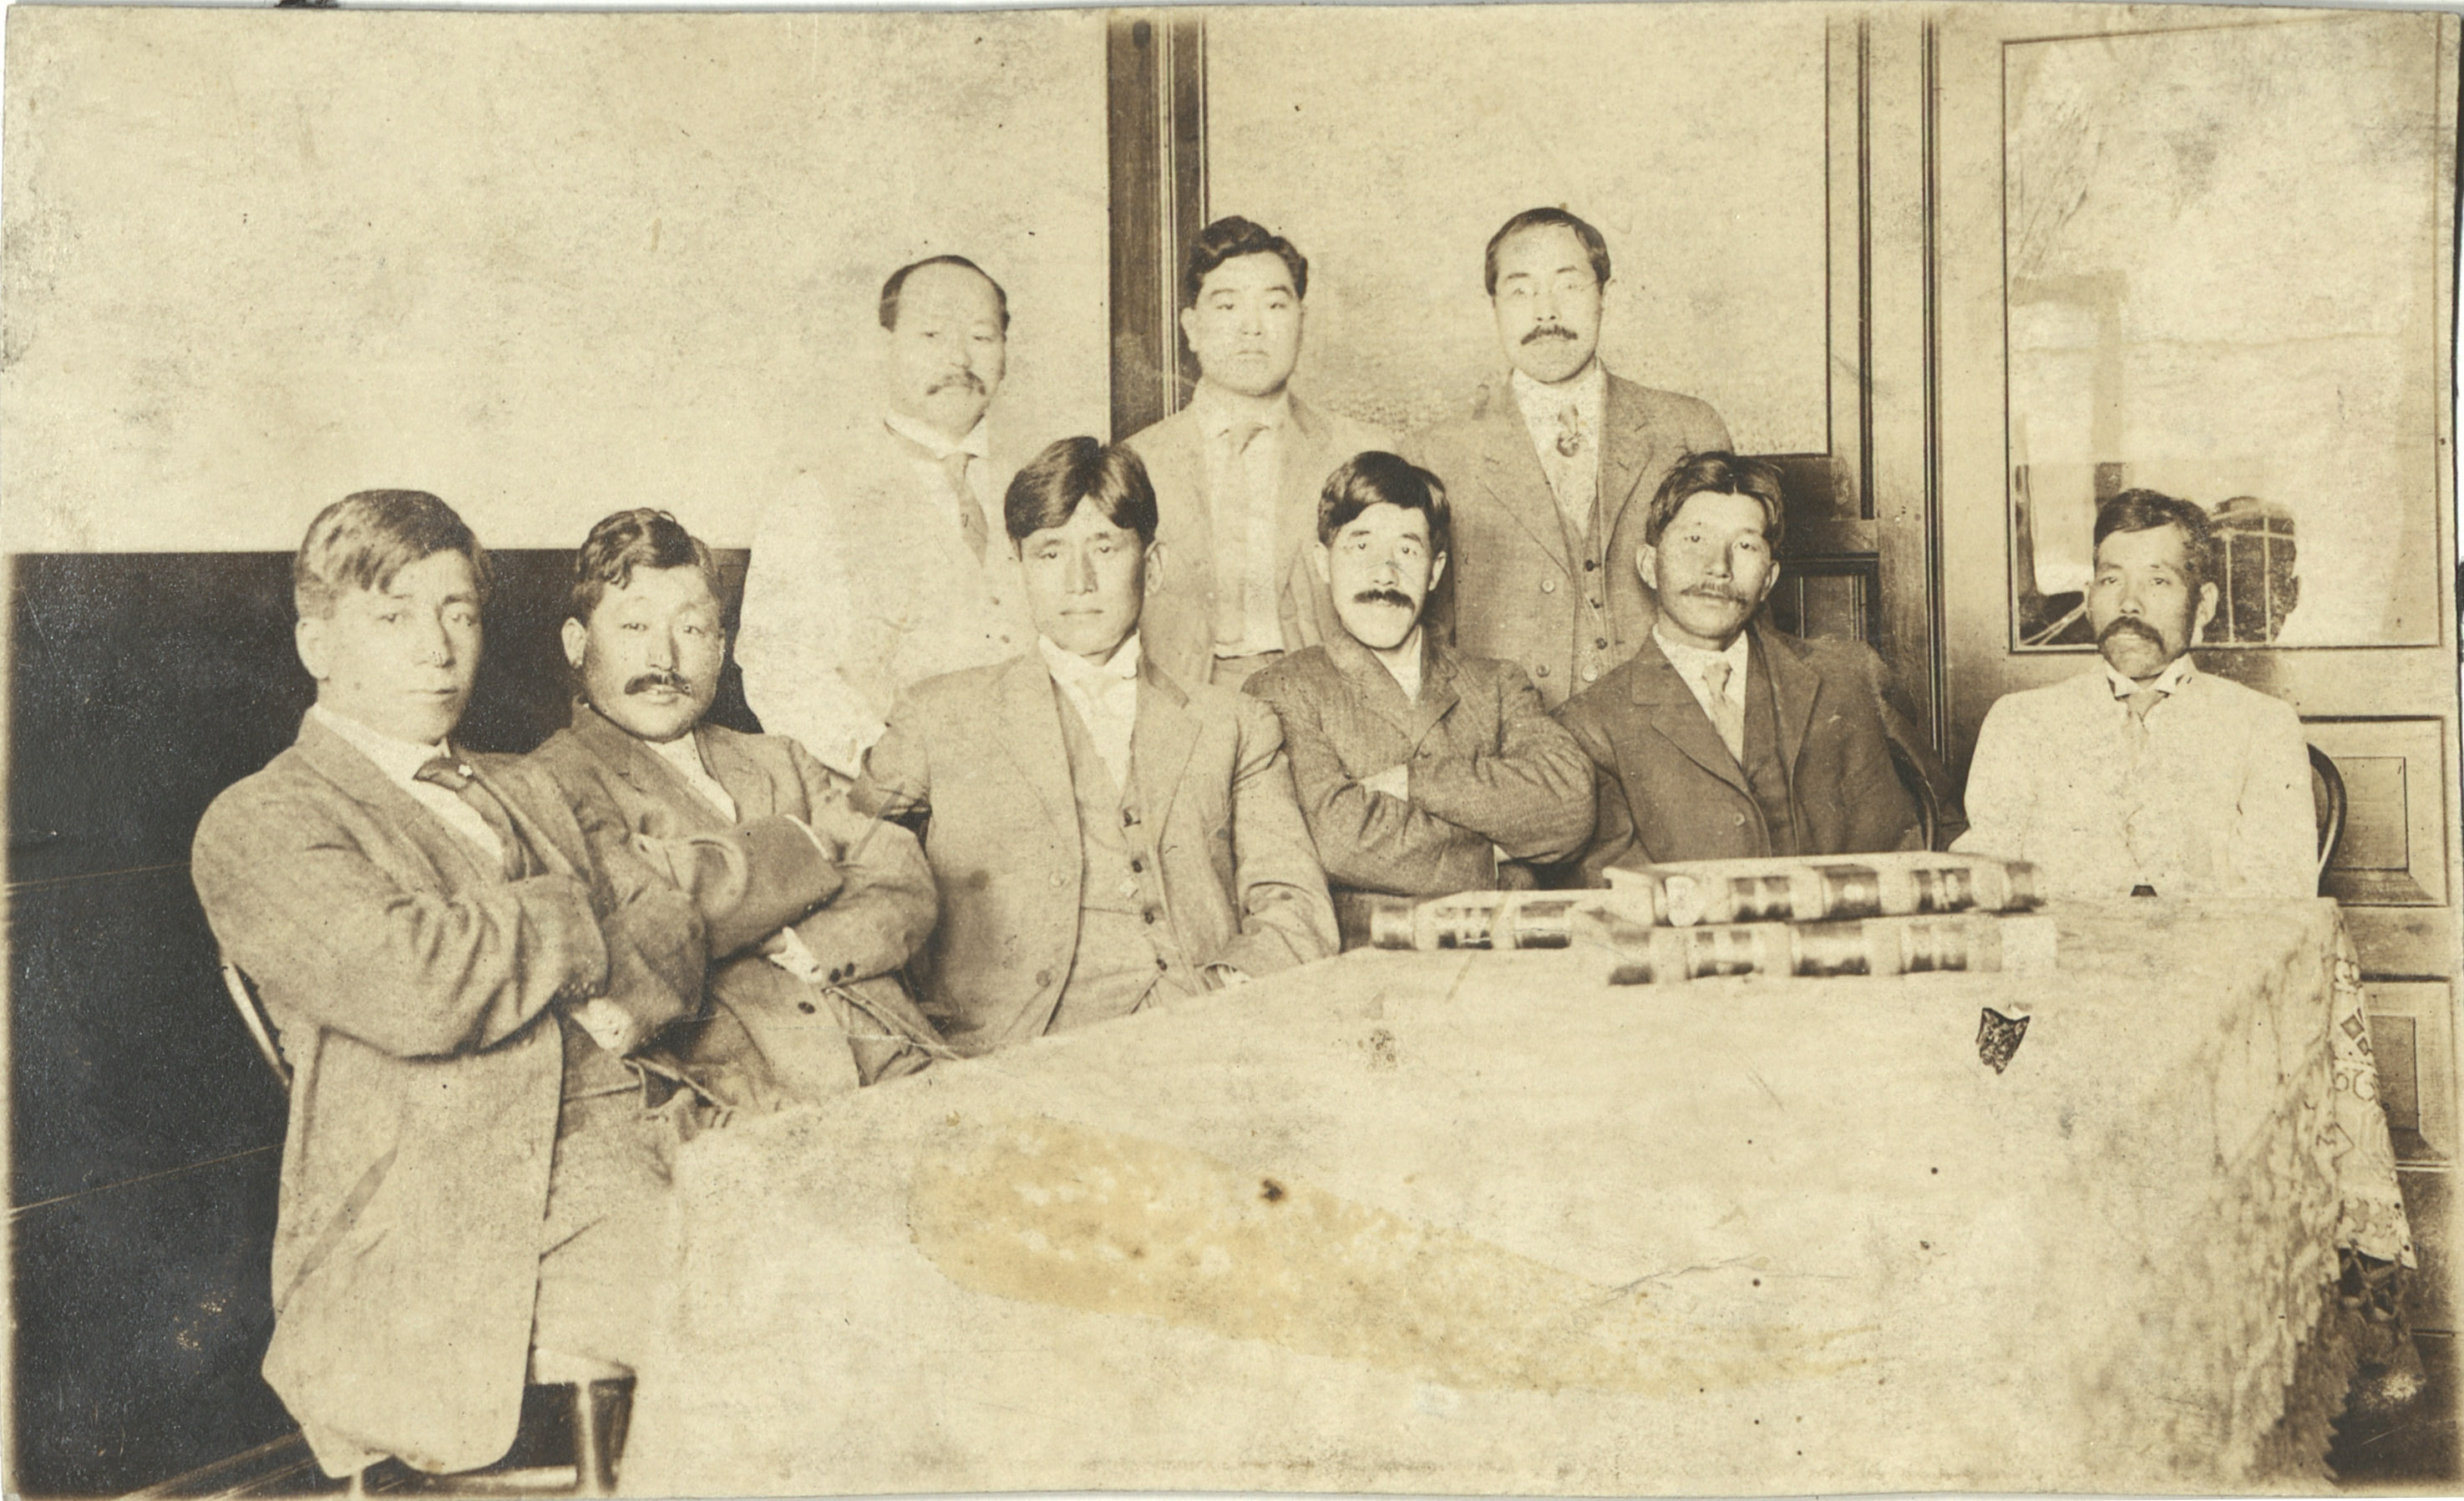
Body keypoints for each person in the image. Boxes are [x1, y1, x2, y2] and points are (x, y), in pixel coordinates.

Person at [189, 492, 839, 1478]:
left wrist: (552, 947)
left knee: (890, 1247)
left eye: (458, 611)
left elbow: (670, 925)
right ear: (317, 643)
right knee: (784, 1311)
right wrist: (574, 919)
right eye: (394, 616)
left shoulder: (525, 784)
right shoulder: (261, 820)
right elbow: (419, 984)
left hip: (667, 1127)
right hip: (464, 1216)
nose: (436, 648)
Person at [853, 437, 1336, 1055]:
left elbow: (1293, 904)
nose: (1078, 582)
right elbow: (850, 887)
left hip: (1199, 1037)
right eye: (1050, 552)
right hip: (1014, 1053)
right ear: (1018, 568)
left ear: (1152, 567)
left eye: (1104, 548)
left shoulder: (1236, 724)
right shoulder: (938, 715)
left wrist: (1226, 994)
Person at [528, 508, 946, 1110]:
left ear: (721, 648)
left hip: (909, 1054)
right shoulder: (549, 783)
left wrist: (800, 940)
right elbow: (646, 912)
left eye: (692, 628)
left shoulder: (778, 758)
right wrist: (806, 854)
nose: (664, 659)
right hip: (755, 1100)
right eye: (635, 626)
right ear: (577, 643)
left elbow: (901, 872)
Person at [1245, 453, 1593, 946]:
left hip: (1507, 962)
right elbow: (1339, 840)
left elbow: (1571, 806)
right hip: (1368, 967)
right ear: (1324, 562)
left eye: (1407, 550)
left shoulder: (1497, 684)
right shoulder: (1281, 690)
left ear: (1435, 570)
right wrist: (1494, 854)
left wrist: (1410, 781)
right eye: (1361, 546)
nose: (1384, 575)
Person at [1402, 207, 1732, 707]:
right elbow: (1426, 649)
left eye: (1569, 285)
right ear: (1493, 306)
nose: (1546, 314)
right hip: (1510, 735)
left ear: (1605, 295)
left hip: (1667, 727)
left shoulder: (1688, 430)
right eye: (1521, 291)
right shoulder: (1436, 454)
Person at [735, 255, 1036, 778]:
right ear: (884, 347)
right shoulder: (815, 500)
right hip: (887, 797)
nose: (959, 357)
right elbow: (781, 672)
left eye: (982, 337)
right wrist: (895, 769)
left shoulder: (1040, 486)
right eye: (932, 335)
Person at [1557, 453, 1917, 881]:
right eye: (1695, 539)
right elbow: (1621, 893)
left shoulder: (1849, 678)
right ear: (1649, 566)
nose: (1719, 567)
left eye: (1745, 545)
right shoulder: (1591, 725)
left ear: (1769, 579)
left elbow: (1915, 844)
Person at [1956, 489, 2314, 898]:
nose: (2129, 603)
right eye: (2111, 580)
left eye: (2158, 581)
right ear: (2089, 599)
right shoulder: (2020, 722)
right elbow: (1982, 880)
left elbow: (2284, 893)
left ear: (2203, 604)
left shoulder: (2264, 726)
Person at [1123, 216, 1391, 688]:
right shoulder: (1136, 462)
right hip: (1182, 704)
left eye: (1274, 305)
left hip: (1328, 700)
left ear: (1301, 322)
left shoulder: (1364, 451)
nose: (1252, 328)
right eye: (1228, 306)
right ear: (1191, 327)